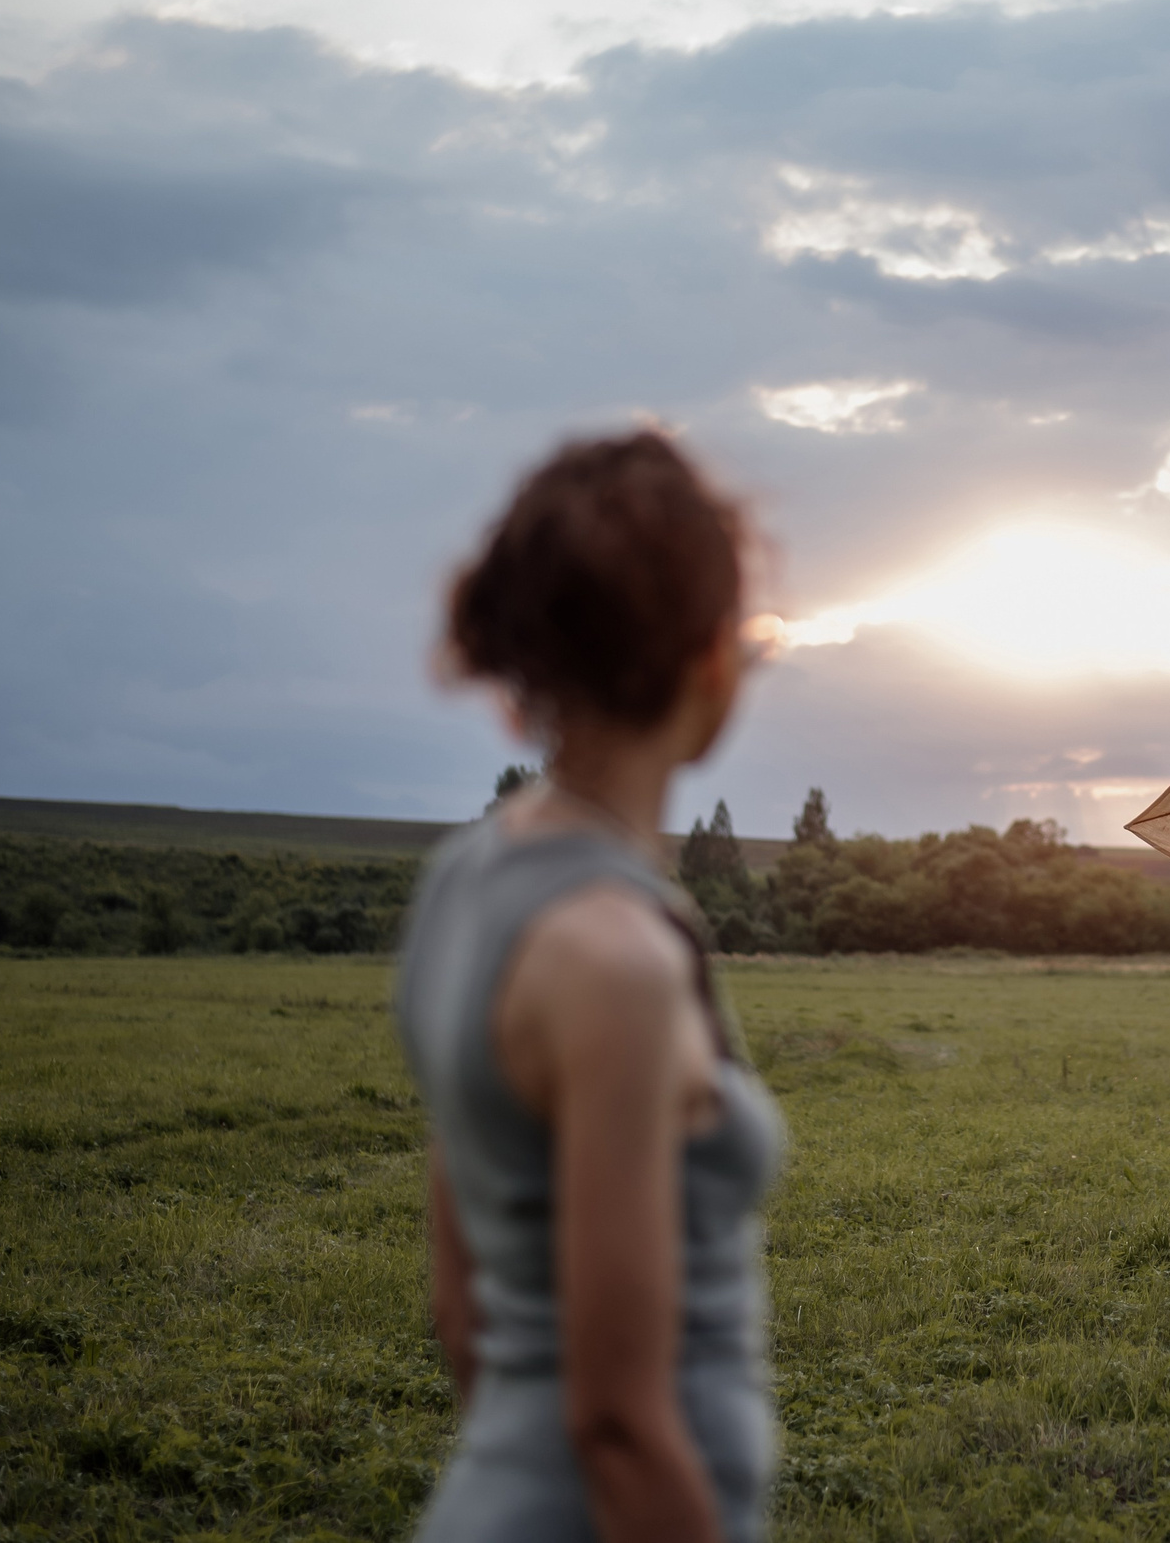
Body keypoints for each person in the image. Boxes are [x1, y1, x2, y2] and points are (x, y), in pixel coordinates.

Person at [394, 429, 784, 1543]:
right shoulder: (612, 957)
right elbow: (616, 1422)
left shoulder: (466, 878)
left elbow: (464, 1306)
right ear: (712, 661)